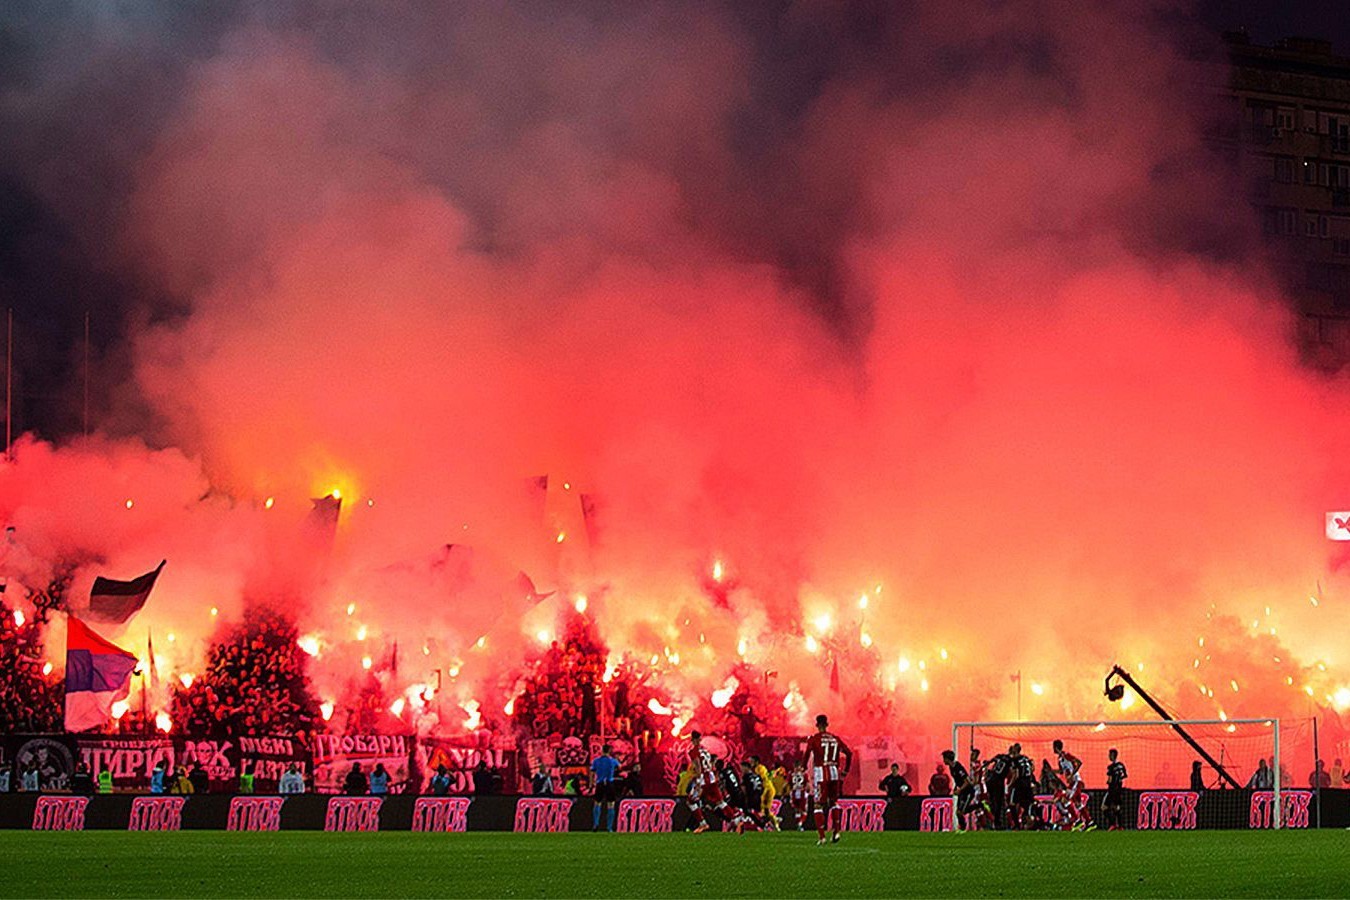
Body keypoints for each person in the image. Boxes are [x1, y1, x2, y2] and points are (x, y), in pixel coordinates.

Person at [801, 713, 853, 845]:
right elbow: (849, 753)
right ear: (827, 724)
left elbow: (807, 754)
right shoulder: (835, 738)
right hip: (834, 772)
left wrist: (803, 768)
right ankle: (836, 832)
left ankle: (822, 836)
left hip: (821, 773)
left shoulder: (814, 739)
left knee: (818, 804)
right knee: (834, 802)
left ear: (817, 725)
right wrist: (845, 770)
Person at [686, 731, 745, 833]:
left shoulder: (693, 752)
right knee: (720, 802)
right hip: (712, 779)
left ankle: (703, 824)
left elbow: (698, 767)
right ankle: (736, 821)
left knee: (690, 801)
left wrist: (698, 781)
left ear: (694, 740)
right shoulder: (705, 751)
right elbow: (711, 764)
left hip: (703, 780)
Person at [1052, 739, 1089, 830]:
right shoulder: (1060, 759)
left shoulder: (1067, 756)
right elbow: (1061, 772)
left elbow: (1079, 763)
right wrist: (1051, 771)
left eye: (1053, 747)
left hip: (1076, 781)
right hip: (1072, 783)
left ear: (1056, 748)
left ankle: (1076, 820)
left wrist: (1072, 775)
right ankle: (1089, 822)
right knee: (1078, 803)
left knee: (1065, 800)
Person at [590, 745, 620, 832]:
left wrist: (591, 783)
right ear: (609, 751)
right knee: (611, 804)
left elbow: (592, 772)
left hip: (600, 783)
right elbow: (620, 767)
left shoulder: (596, 761)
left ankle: (596, 824)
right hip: (609, 783)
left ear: (602, 750)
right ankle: (609, 827)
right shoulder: (613, 761)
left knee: (597, 803)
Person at [1007, 744, 1037, 830]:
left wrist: (1010, 785)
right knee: (1027, 804)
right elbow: (1032, 768)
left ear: (1015, 750)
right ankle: (1030, 823)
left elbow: (1016, 774)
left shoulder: (1015, 760)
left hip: (1019, 783)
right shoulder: (1026, 758)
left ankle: (1017, 825)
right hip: (1028, 783)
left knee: (1012, 804)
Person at [941, 750, 973, 830]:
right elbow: (957, 780)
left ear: (948, 759)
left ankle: (980, 805)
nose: (943, 760)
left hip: (968, 791)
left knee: (961, 812)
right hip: (962, 792)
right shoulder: (951, 767)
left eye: (944, 758)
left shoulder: (958, 767)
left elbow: (967, 781)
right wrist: (956, 788)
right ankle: (962, 829)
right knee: (958, 812)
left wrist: (959, 789)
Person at [984, 747, 1011, 830]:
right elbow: (1013, 772)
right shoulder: (1011, 760)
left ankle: (992, 821)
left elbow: (990, 762)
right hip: (998, 781)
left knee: (992, 801)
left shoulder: (1000, 756)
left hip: (990, 779)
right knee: (999, 803)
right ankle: (997, 823)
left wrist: (985, 767)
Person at [750, 756, 778, 830]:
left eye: (752, 761)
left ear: (756, 761)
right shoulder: (759, 768)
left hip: (767, 789)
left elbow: (762, 779)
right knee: (767, 811)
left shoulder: (759, 768)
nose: (750, 763)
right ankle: (775, 826)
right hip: (768, 788)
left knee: (761, 808)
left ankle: (765, 825)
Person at [1104, 748, 1127, 830]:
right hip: (1119, 789)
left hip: (1112, 789)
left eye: (1110, 755)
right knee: (1117, 807)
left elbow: (1109, 780)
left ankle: (1112, 824)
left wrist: (1109, 782)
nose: (1109, 756)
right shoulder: (1121, 765)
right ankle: (1120, 826)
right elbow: (1124, 776)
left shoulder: (1111, 767)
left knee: (1104, 807)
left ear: (1113, 756)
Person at [788, 762, 811, 831]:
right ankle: (800, 824)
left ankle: (799, 824)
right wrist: (808, 791)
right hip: (801, 792)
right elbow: (807, 784)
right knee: (803, 810)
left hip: (794, 792)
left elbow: (788, 784)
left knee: (797, 810)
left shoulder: (791, 774)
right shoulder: (804, 774)